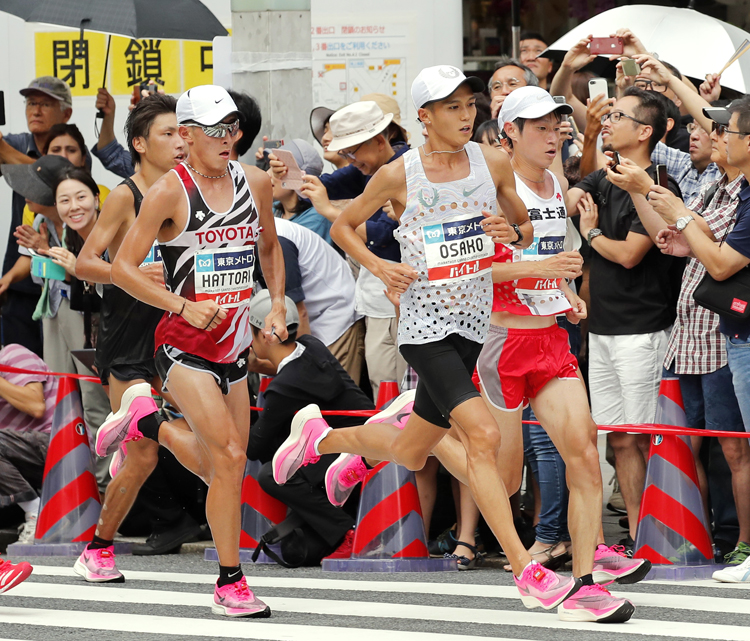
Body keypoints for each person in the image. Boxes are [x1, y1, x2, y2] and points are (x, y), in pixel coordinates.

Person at [271, 65, 593, 614]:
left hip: (473, 323)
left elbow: (522, 224)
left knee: (409, 449)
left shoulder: (491, 161)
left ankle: (320, 441)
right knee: (484, 438)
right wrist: (379, 266)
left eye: (470, 105)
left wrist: (509, 231)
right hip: (424, 328)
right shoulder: (400, 174)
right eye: (452, 107)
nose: (467, 115)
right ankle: (526, 570)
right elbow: (345, 224)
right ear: (424, 117)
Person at [99, 85, 287, 617]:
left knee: (224, 467)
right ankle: (230, 582)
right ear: (186, 135)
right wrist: (181, 307)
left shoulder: (254, 182)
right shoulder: (168, 192)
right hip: (182, 345)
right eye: (215, 130)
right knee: (227, 457)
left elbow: (269, 246)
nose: (229, 139)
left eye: (232, 128)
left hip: (235, 344)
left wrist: (275, 303)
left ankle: (147, 422)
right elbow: (122, 268)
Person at [74, 94, 202, 577]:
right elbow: (87, 263)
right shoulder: (127, 194)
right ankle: (99, 547)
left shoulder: (193, 191)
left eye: (183, 133)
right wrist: (128, 274)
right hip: (129, 339)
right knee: (145, 453)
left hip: (183, 336)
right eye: (168, 134)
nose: (179, 142)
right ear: (140, 144)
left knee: (197, 443)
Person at [567, 87, 684, 551]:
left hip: (644, 329)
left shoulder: (658, 187)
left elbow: (632, 254)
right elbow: (567, 195)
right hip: (602, 330)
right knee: (618, 439)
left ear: (645, 131)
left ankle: (656, 532)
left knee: (643, 437)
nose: (610, 120)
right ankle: (635, 533)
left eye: (620, 116)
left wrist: (590, 232)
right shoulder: (605, 176)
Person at [649, 98, 750, 579]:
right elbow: (704, 244)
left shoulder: (743, 193)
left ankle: (742, 546)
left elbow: (724, 261)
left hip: (728, 335)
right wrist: (683, 230)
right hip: (699, 332)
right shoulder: (725, 187)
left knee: (736, 446)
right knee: (689, 440)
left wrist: (677, 213)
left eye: (726, 131)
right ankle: (698, 538)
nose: (716, 136)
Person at [283, 101, 410, 399]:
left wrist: (330, 211)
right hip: (379, 296)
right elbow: (321, 185)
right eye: (345, 154)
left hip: (399, 294)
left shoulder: (403, 169)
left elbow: (383, 235)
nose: (349, 160)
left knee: (395, 388)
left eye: (353, 152)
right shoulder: (369, 169)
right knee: (384, 383)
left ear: (381, 140)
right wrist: (289, 172)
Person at [1, 157, 111, 487]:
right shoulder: (44, 224)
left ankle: (105, 487)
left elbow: (101, 281)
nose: (72, 206)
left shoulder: (94, 230)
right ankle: (74, 480)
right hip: (55, 310)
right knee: (64, 397)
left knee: (94, 403)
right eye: (65, 199)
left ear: (94, 197)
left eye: (78, 197)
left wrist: (52, 254)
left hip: (88, 320)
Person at [247, 290, 374, 559]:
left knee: (272, 474)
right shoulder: (311, 346)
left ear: (264, 335)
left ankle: (345, 532)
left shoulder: (283, 389)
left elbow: (254, 447)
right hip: (368, 442)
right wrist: (257, 366)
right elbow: (291, 371)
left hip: (348, 456)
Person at [0, 77, 73, 356]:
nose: (36, 111)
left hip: (63, 281)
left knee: (61, 369)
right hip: (20, 271)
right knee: (21, 363)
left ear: (66, 113)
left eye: (45, 104)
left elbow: (46, 174)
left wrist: (3, 149)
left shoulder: (70, 147)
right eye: (31, 103)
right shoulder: (18, 141)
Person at [257, 218, 364, 382]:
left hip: (334, 312)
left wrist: (301, 367)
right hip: (306, 313)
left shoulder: (278, 241)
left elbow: (298, 313)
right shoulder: (242, 237)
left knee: (325, 390)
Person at [0, 344, 58, 544]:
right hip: (24, 463)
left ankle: (35, 515)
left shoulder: (12, 354)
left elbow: (35, 405)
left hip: (58, 445)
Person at [270, 139, 331, 243]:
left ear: (300, 177)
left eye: (278, 170)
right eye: (270, 168)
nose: (268, 174)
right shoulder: (274, 210)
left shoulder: (316, 219)